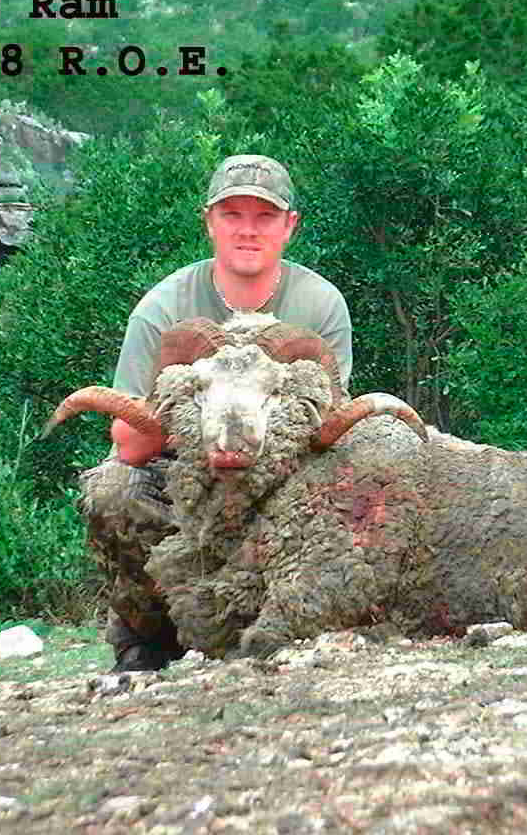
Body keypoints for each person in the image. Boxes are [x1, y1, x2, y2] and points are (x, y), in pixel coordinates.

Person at [78, 154, 352, 671]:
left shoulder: (321, 305)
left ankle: (288, 618)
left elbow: (327, 426)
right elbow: (129, 444)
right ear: (209, 221)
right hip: (190, 472)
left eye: (265, 216)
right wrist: (201, 418)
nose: (248, 231)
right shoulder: (163, 308)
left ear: (289, 225)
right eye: (232, 215)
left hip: (282, 475)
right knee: (113, 488)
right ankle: (147, 637)